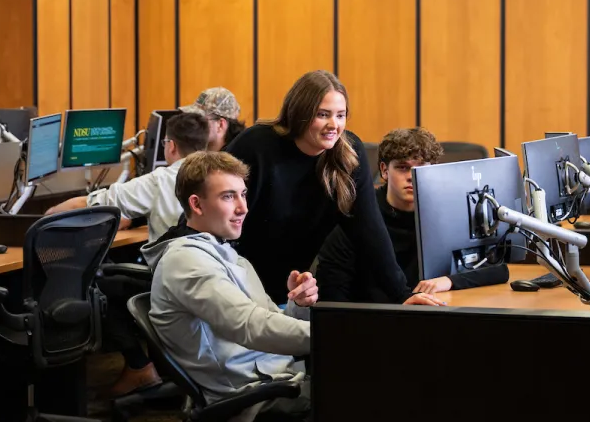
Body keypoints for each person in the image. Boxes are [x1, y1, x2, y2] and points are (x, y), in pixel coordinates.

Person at [142, 151, 442, 422]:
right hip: (254, 397)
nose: (244, 208)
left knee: (402, 375)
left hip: (282, 378)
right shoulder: (188, 262)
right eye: (228, 197)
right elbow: (252, 327)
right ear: (196, 204)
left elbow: (267, 318)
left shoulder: (223, 250)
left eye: (243, 195)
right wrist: (351, 333)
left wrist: (298, 306)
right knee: (398, 390)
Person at [46, 112, 210, 397]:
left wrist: (41, 221)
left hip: (171, 283)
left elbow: (93, 204)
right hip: (211, 279)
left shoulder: (162, 179)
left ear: (170, 146)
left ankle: (139, 366)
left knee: (98, 285)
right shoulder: (220, 176)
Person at [223, 70, 412, 305]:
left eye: (341, 115)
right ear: (300, 114)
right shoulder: (255, 145)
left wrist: (403, 296)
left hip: (288, 295)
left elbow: (370, 233)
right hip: (233, 285)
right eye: (323, 115)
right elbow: (212, 210)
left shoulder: (349, 155)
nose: (334, 125)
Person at [316, 127, 509, 302]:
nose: (411, 175)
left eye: (420, 167)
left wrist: (450, 281)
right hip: (373, 319)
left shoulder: (450, 211)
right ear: (384, 170)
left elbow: (498, 268)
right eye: (402, 167)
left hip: (431, 313)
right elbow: (332, 288)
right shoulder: (360, 214)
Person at [46, 112, 210, 242]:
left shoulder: (159, 181)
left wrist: (48, 216)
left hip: (172, 276)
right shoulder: (223, 174)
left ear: (172, 146)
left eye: (165, 142)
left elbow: (87, 204)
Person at [180, 86, 246, 151]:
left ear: (220, 125)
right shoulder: (198, 154)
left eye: (200, 120)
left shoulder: (240, 158)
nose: (194, 124)